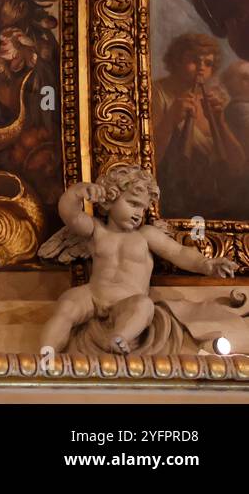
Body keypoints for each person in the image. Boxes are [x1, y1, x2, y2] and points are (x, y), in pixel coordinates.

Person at [40, 165, 237, 354]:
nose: (138, 214)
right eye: (133, 204)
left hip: (127, 300)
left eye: (142, 208)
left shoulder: (145, 235)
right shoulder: (96, 230)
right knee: (66, 305)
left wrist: (206, 264)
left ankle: (119, 337)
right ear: (109, 201)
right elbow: (69, 214)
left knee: (144, 306)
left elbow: (178, 253)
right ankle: (46, 354)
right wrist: (77, 192)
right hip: (93, 295)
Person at [153, 33, 244, 217]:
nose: (202, 68)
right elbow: (148, 159)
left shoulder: (217, 99)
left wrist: (219, 122)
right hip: (174, 199)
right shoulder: (157, 92)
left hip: (217, 198)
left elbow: (238, 165)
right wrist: (171, 119)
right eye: (194, 60)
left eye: (208, 63)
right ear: (176, 61)